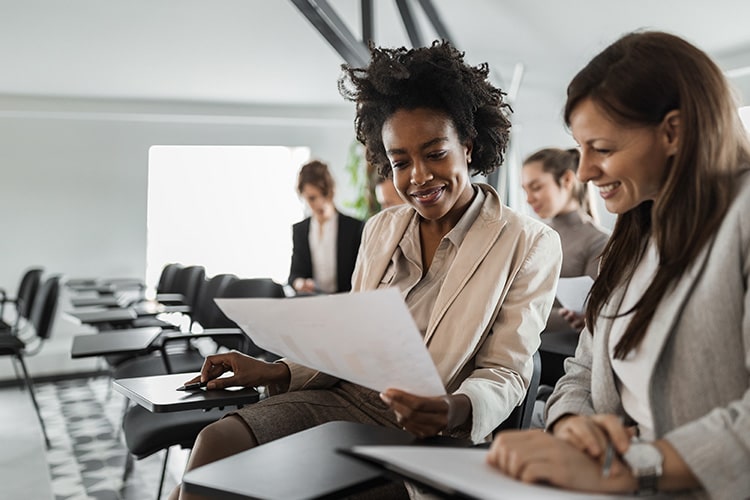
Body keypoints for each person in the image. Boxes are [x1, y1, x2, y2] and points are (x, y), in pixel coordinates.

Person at [169, 40, 562, 500]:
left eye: (435, 153)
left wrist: (454, 408)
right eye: (400, 162)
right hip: (346, 399)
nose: (418, 176)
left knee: (228, 491)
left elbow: (507, 370)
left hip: (429, 430)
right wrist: (271, 371)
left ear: (469, 147)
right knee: (215, 443)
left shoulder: (528, 242)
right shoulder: (380, 229)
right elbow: (348, 345)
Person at [487, 31, 750, 499]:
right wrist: (572, 427)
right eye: (581, 148)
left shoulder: (741, 220)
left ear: (673, 132)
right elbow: (582, 370)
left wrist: (634, 468)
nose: (584, 171)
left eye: (602, 149)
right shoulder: (633, 238)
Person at [521, 147, 609, 332]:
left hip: (566, 356)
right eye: (525, 190)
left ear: (567, 180)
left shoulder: (599, 241)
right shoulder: (532, 235)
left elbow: (593, 315)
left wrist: (515, 313)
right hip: (527, 353)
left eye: (536, 187)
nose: (528, 199)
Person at [288, 160, 364, 294]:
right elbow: (294, 275)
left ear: (332, 191)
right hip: (313, 302)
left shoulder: (355, 228)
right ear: (302, 196)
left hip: (346, 302)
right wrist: (300, 283)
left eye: (324, 194)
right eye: (311, 198)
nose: (320, 203)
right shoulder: (300, 231)